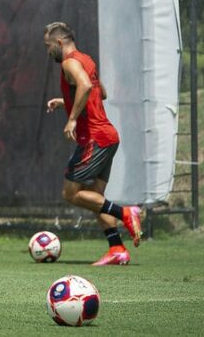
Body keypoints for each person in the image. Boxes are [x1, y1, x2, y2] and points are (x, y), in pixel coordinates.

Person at [43, 22, 142, 265]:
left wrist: (72, 119)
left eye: (48, 46)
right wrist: (65, 100)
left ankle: (126, 212)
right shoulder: (86, 60)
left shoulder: (69, 63)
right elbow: (100, 94)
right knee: (95, 197)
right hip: (108, 136)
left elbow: (86, 87)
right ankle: (117, 249)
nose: (48, 52)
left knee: (71, 193)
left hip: (94, 138)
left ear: (59, 43)